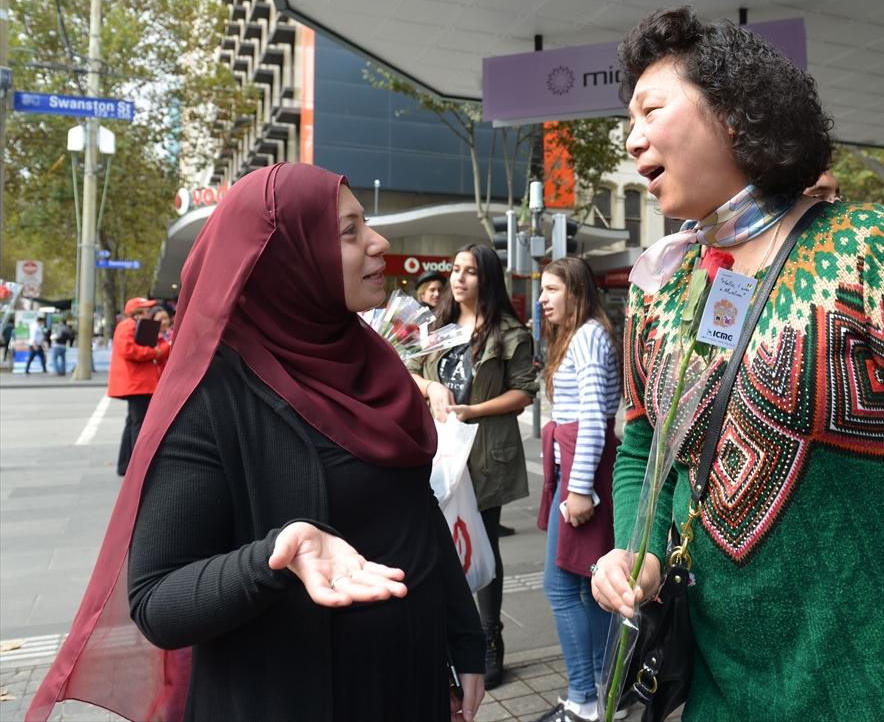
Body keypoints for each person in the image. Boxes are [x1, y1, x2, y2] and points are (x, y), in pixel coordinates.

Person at [589, 7, 884, 722]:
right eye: (629, 120)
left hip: (879, 691)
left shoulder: (871, 247)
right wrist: (638, 552)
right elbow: (642, 445)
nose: (632, 138)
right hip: (715, 692)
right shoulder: (662, 288)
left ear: (735, 115)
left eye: (651, 110)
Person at [26, 163, 486, 722]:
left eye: (366, 223)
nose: (378, 242)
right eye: (349, 231)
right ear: (285, 262)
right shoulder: (213, 398)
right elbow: (157, 601)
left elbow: (416, 511)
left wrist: (464, 640)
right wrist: (274, 557)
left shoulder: (376, 362)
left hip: (410, 683)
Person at [407, 243, 537, 690]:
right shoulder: (434, 326)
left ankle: (488, 639)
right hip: (436, 452)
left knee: (482, 545)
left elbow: (523, 391)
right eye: (456, 269)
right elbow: (405, 369)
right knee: (435, 545)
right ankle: (445, 641)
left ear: (487, 280)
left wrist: (473, 410)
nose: (458, 278)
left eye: (470, 271)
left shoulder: (508, 332)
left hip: (484, 454)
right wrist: (431, 388)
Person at [534, 257, 621, 722]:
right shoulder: (583, 334)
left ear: (576, 291)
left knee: (563, 586)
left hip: (581, 473)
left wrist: (580, 489)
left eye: (551, 289)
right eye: (541, 290)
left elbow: (591, 418)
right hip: (575, 471)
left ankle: (586, 698)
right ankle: (607, 695)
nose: (542, 299)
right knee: (591, 587)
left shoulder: (587, 335)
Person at [107, 297, 171, 477]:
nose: (148, 312)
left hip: (137, 383)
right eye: (145, 309)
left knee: (133, 423)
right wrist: (155, 352)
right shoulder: (128, 326)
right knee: (138, 424)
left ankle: (127, 465)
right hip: (137, 383)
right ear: (138, 312)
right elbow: (129, 350)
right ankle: (138, 468)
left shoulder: (130, 325)